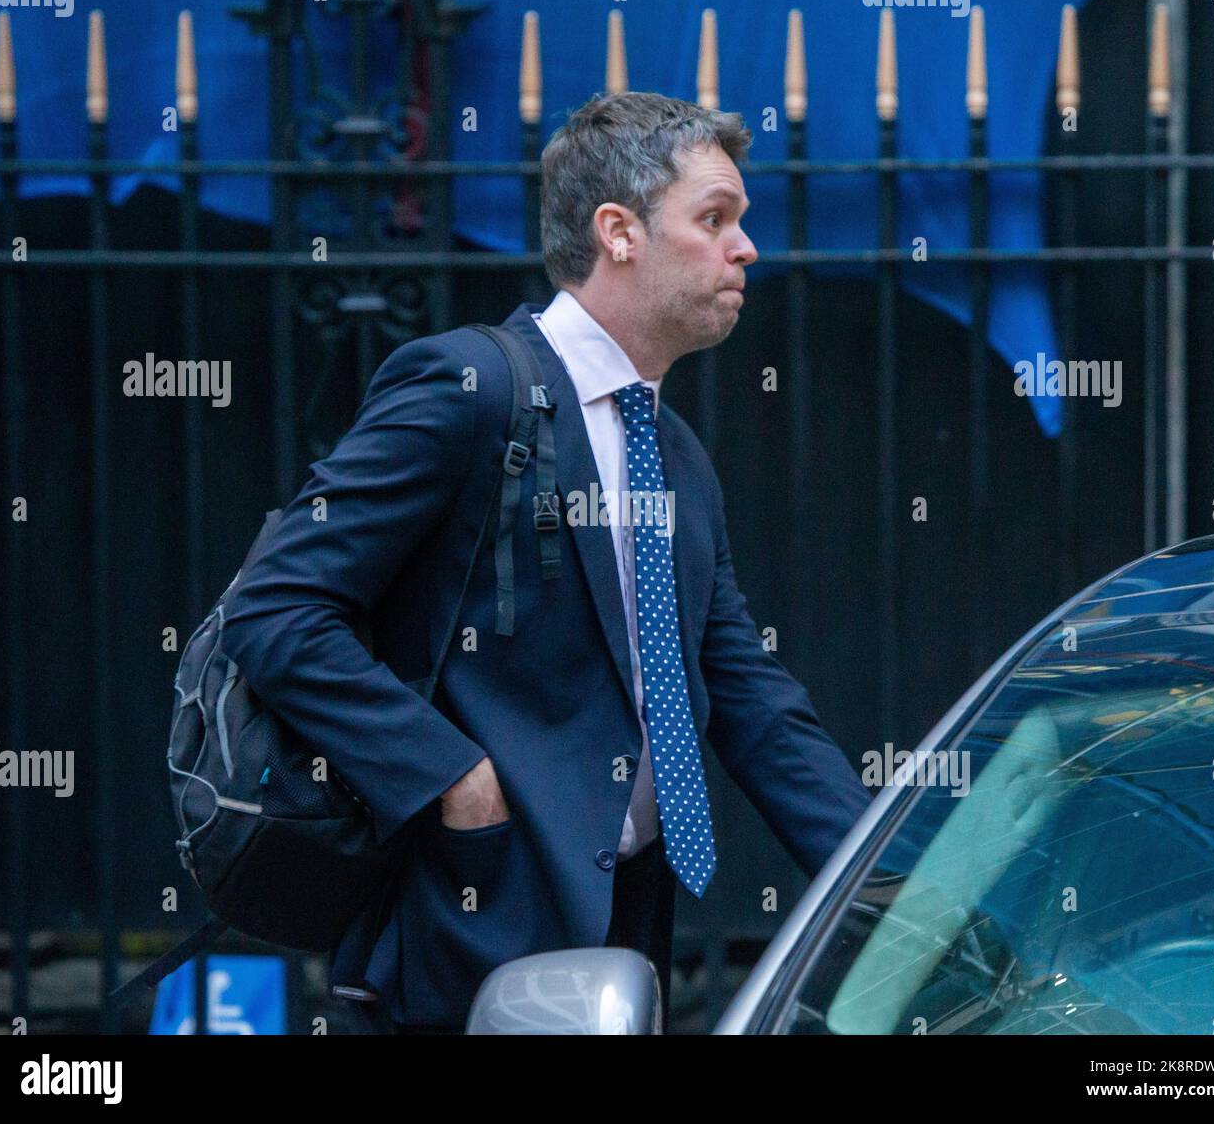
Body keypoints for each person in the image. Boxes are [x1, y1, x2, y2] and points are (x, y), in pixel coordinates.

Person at [220, 90, 872, 1034]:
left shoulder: (676, 451)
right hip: (470, 919)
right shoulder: (466, 387)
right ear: (618, 232)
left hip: (628, 924)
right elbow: (277, 609)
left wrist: (890, 875)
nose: (746, 249)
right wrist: (455, 781)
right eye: (715, 219)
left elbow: (746, 695)